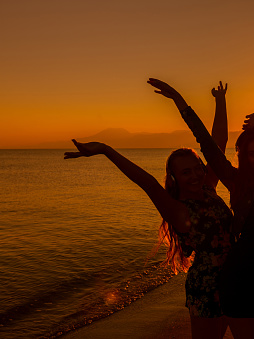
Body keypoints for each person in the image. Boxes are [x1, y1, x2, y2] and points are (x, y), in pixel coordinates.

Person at [64, 82, 233, 339]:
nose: (195, 175)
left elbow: (217, 143)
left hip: (235, 276)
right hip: (207, 285)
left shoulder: (209, 188)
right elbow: (145, 181)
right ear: (174, 177)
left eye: (197, 168)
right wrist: (105, 150)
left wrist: (220, 101)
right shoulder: (177, 209)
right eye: (185, 172)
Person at [147, 78, 254, 339]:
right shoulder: (237, 182)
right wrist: (180, 101)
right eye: (251, 154)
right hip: (238, 276)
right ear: (243, 157)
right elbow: (207, 143)